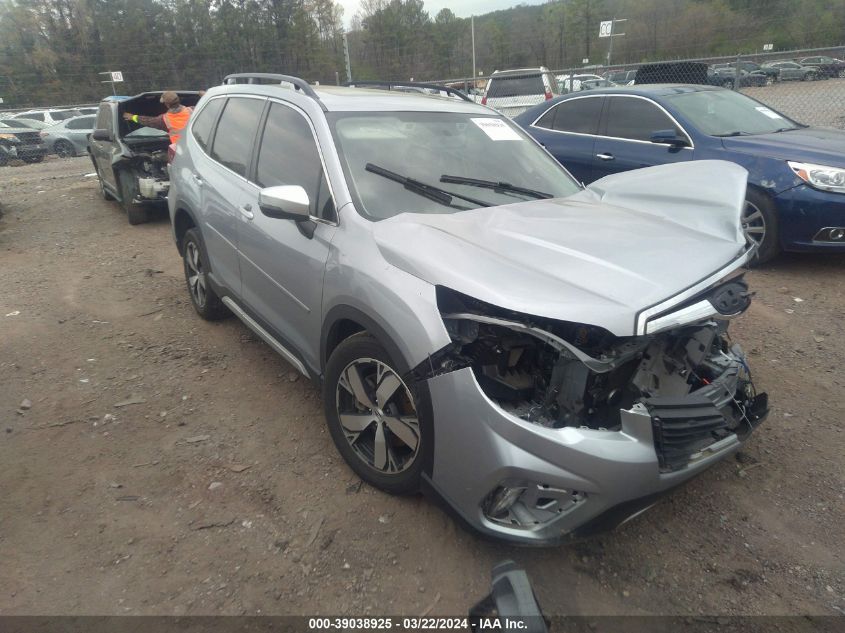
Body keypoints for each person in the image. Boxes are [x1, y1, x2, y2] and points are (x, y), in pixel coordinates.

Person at [122, 91, 193, 144]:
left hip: (181, 149)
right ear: (179, 100)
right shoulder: (193, 110)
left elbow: (148, 121)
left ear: (167, 104)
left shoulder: (164, 119)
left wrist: (132, 117)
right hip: (198, 143)